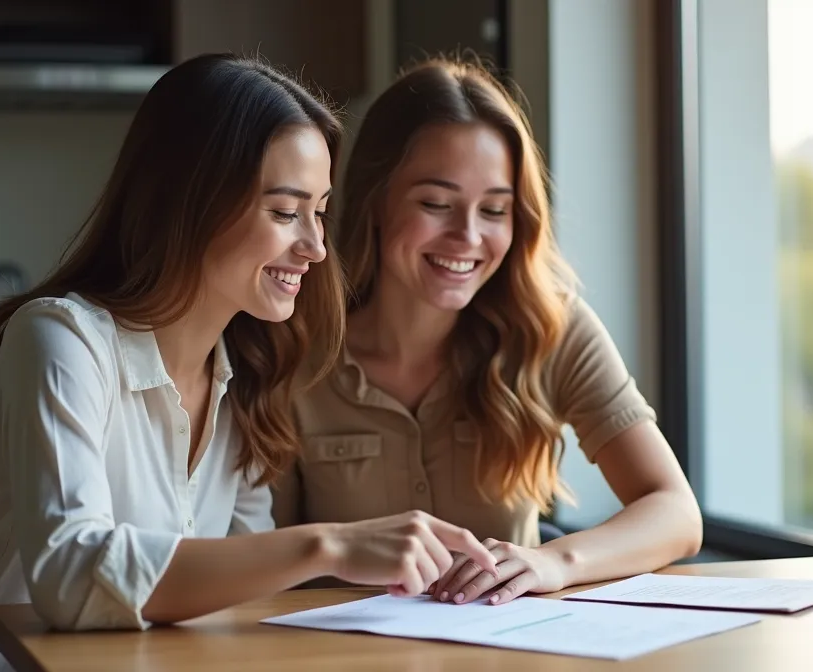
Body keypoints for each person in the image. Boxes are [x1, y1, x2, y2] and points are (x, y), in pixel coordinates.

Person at [0, 54, 496, 672]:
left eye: (320, 211)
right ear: (191, 203)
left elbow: (239, 598)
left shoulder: (250, 374)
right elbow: (69, 575)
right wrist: (329, 544)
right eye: (285, 212)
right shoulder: (61, 339)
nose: (314, 247)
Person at [271, 57, 703, 607]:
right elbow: (265, 553)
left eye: (494, 210)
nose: (467, 236)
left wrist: (554, 561)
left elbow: (676, 512)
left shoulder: (550, 326)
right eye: (436, 204)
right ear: (375, 198)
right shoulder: (292, 344)